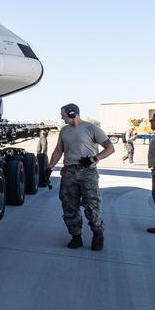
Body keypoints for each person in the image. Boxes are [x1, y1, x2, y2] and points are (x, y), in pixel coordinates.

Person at [47, 103, 114, 250]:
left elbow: (110, 148)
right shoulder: (64, 131)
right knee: (69, 205)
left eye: (63, 114)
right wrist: (49, 167)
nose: (61, 117)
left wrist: (95, 158)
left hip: (87, 172)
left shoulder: (91, 128)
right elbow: (59, 150)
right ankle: (76, 236)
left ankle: (98, 234)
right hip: (69, 172)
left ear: (72, 113)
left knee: (91, 204)